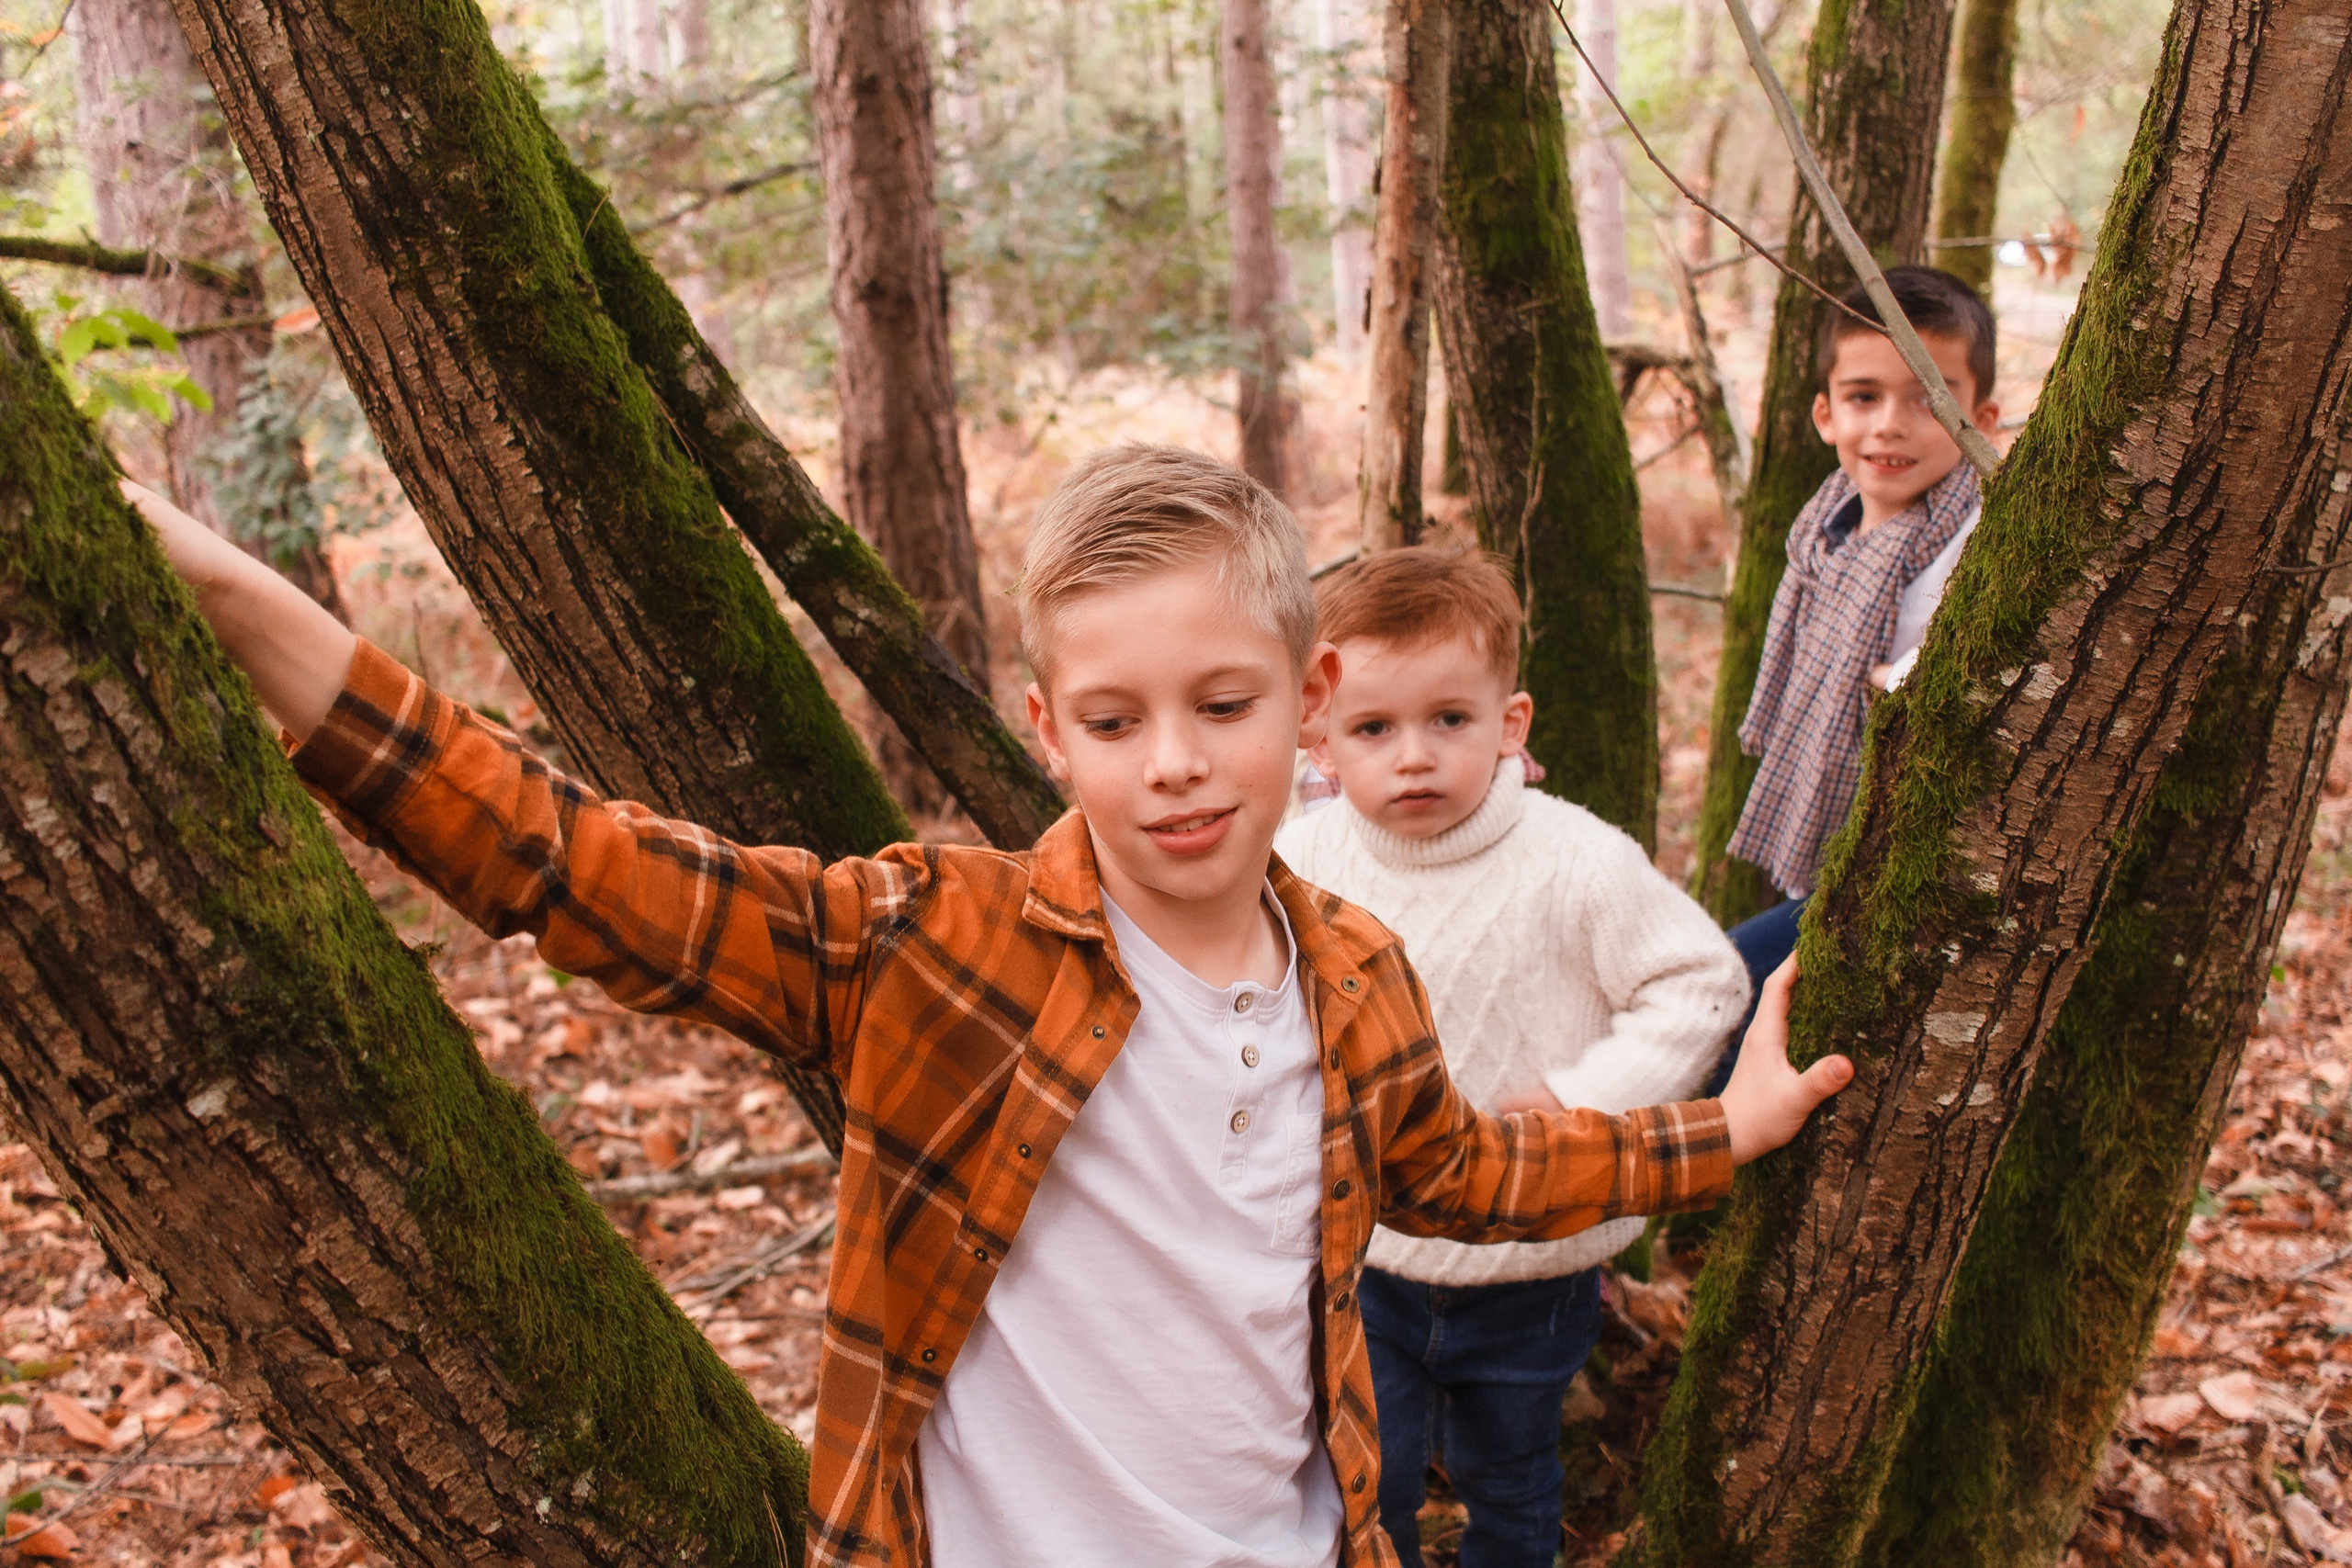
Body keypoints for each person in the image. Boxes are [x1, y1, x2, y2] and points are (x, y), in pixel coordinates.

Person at [124, 444, 1851, 1568]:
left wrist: (1730, 1126)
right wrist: (235, 601)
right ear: (1047, 722)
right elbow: (580, 869)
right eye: (1115, 721)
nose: (1174, 765)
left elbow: (1469, 1171)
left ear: (1310, 702)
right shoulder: (933, 940)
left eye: (1224, 703)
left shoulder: (1353, 972)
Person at [1274, 547, 1748, 1568]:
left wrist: (1583, 1101)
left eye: (1450, 720)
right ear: (1320, 738)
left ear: (1510, 724)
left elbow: (1703, 981)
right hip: (1371, 1258)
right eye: (1373, 728)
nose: (1414, 756)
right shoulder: (1303, 861)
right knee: (1373, 1472)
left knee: (1513, 1474)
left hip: (1536, 1257)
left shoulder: (1574, 859)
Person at [1724, 265, 2002, 1038]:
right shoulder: (1826, 523)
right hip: (1834, 827)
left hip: (1904, 841)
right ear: (1825, 413)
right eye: (1864, 397)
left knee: (1731, 984)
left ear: (1978, 415)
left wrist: (1905, 678)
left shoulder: (1973, 538)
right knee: (1732, 987)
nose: (1890, 424)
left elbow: (1978, 647)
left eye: (1928, 398)